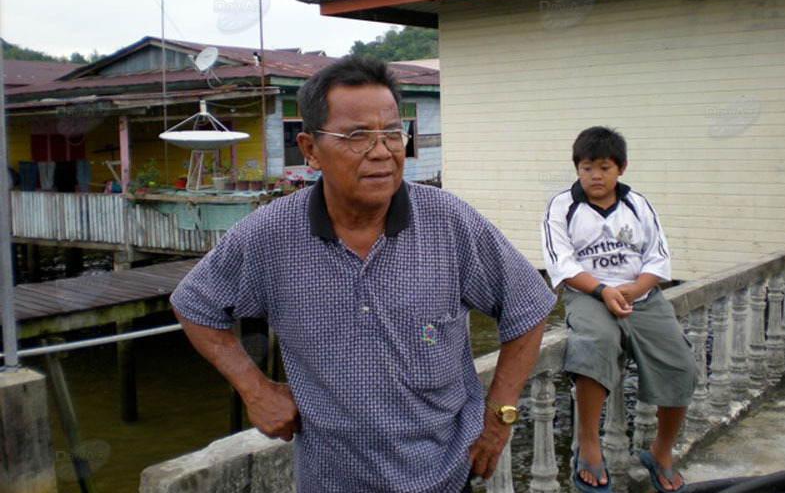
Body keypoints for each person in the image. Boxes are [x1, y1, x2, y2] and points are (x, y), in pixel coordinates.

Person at [171, 55, 556, 493]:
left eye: (392, 134)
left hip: (446, 478)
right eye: (357, 136)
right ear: (311, 149)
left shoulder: (448, 223)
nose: (381, 151)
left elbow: (528, 305)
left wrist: (500, 415)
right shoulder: (271, 235)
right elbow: (194, 304)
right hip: (332, 481)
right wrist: (254, 388)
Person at [541, 126, 696, 493]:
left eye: (605, 167)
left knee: (681, 364)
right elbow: (560, 263)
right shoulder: (562, 207)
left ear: (621, 168)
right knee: (596, 344)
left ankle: (660, 452)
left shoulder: (638, 205)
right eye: (587, 167)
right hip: (589, 295)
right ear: (576, 168)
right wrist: (604, 290)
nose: (596, 175)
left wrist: (635, 289)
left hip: (642, 296)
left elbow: (658, 259)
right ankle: (591, 446)